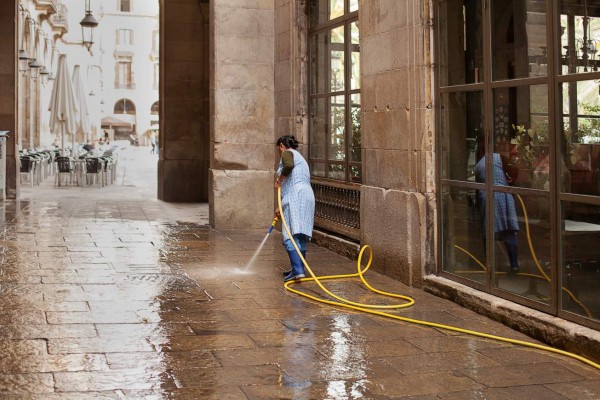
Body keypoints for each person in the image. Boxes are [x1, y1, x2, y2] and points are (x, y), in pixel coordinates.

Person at [274, 135, 315, 282]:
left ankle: (298, 270)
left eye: (278, 149)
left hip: (295, 196)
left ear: (281, 146)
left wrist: (279, 179)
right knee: (300, 233)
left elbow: (288, 166)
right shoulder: (301, 158)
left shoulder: (287, 153)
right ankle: (299, 270)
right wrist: (281, 207)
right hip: (306, 196)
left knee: (289, 234)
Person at [475, 152, 520, 273]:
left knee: (488, 232)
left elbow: (477, 187)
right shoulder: (498, 157)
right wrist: (512, 182)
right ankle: (514, 264)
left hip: (487, 197)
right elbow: (513, 169)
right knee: (509, 231)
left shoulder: (478, 165)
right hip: (503, 194)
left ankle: (490, 266)